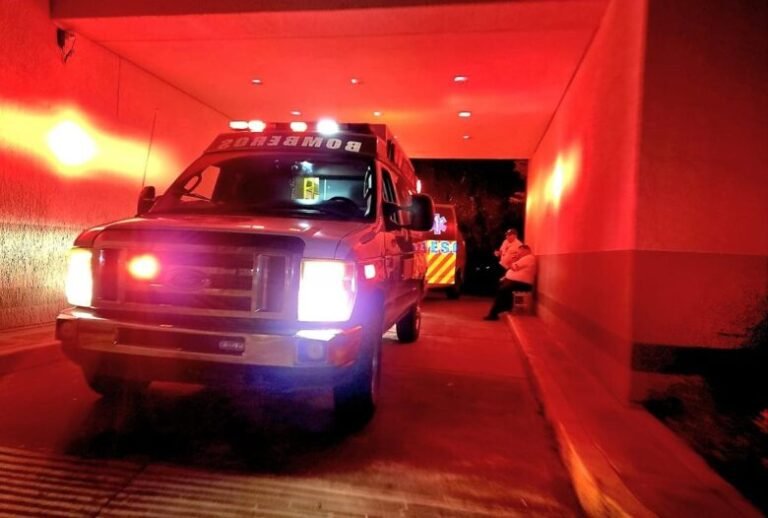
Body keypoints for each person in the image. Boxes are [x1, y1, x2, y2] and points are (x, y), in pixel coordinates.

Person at [484, 244, 536, 321]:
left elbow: (514, 267)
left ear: (526, 250)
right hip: (517, 282)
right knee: (500, 289)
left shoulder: (528, 258)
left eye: (520, 251)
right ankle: (503, 308)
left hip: (522, 284)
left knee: (502, 291)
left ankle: (495, 313)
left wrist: (513, 260)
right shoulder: (525, 258)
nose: (519, 253)